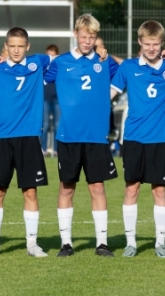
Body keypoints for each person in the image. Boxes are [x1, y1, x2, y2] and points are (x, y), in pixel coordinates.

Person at [110, 21, 165, 258]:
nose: (152, 48)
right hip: (134, 138)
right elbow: (110, 93)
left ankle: (160, 243)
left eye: (156, 44)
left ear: (162, 43)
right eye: (147, 44)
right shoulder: (128, 67)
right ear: (140, 42)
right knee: (131, 188)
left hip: (160, 139)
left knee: (159, 191)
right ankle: (131, 243)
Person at [0, 27, 51, 258]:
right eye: (11, 46)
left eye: (20, 46)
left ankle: (32, 244)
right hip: (1, 139)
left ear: (27, 46)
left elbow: (67, 58)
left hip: (29, 138)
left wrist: (99, 49)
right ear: (6, 46)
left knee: (31, 192)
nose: (16, 50)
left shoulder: (38, 62)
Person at [44, 14, 119, 257]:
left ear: (97, 38)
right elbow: (35, 75)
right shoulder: (61, 62)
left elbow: (129, 69)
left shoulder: (105, 61)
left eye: (92, 37)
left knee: (97, 188)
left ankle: (102, 243)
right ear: (75, 34)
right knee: (67, 188)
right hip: (68, 136)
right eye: (84, 36)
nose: (87, 41)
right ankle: (66, 243)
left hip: (96, 137)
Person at [41, 44, 61, 156]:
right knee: (45, 125)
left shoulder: (60, 67)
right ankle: (43, 150)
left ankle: (57, 150)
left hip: (57, 99)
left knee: (58, 125)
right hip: (45, 99)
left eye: (53, 56)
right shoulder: (42, 67)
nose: (51, 59)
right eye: (49, 56)